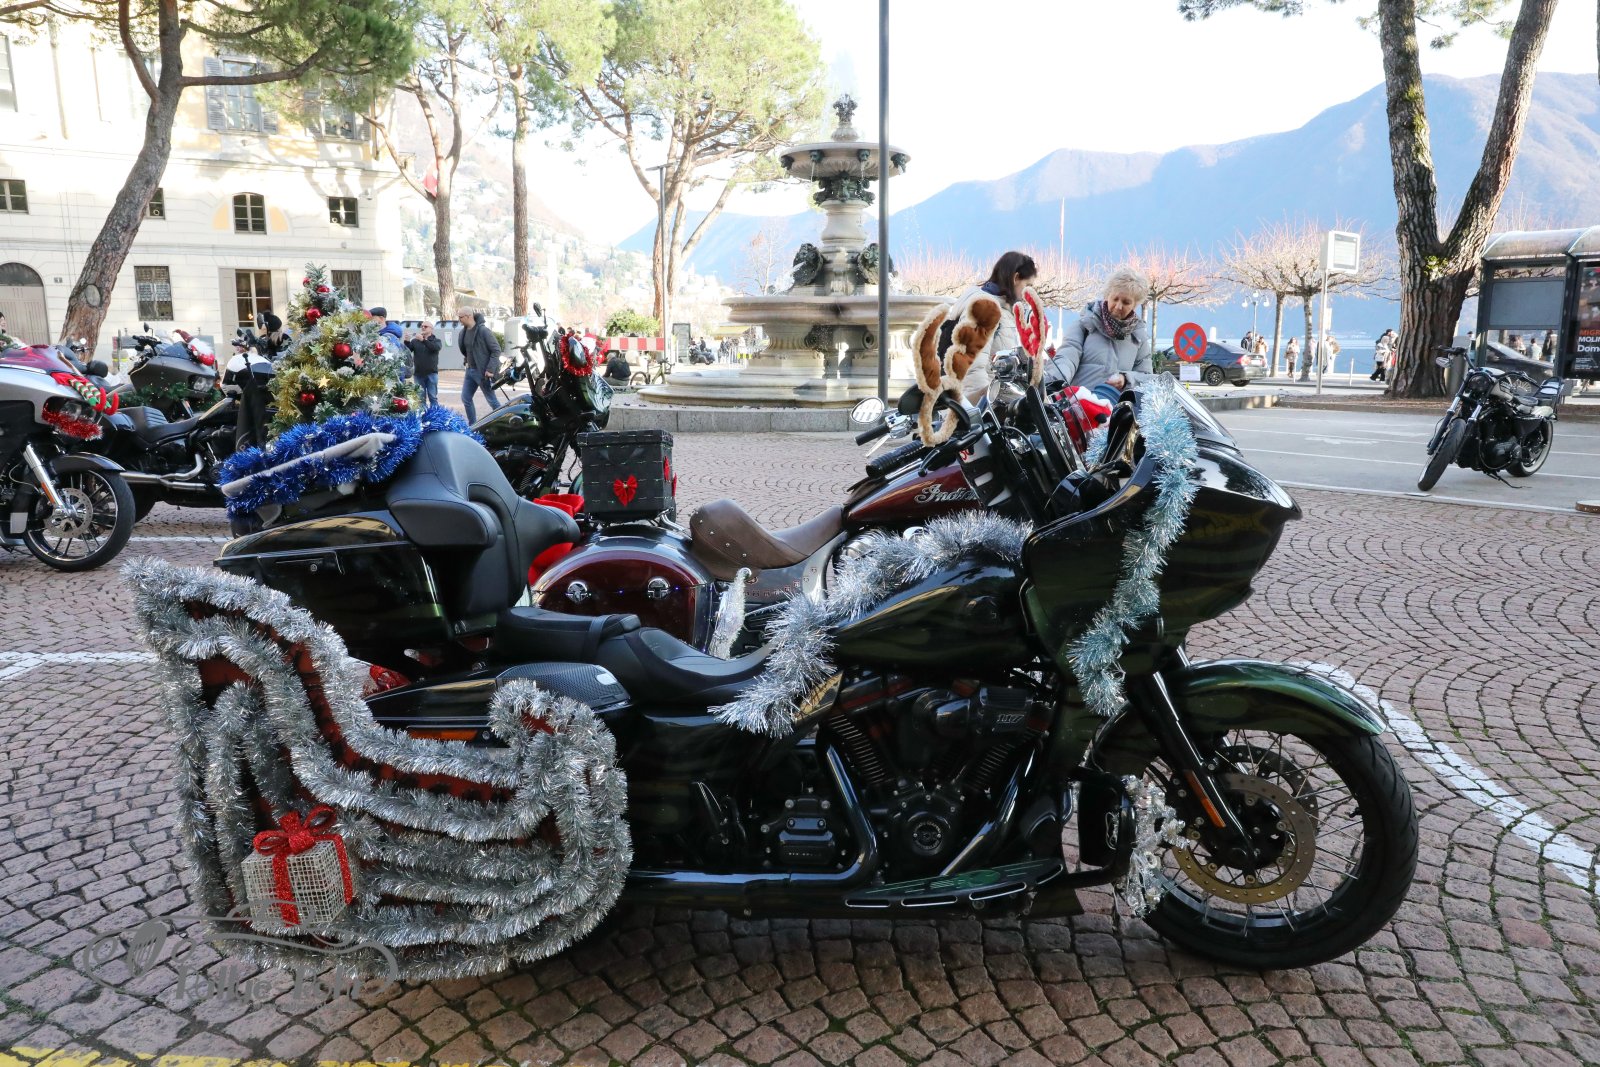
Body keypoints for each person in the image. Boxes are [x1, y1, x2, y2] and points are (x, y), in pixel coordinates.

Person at [1053, 265, 1154, 406]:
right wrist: (1054, 382)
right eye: (1115, 299)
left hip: (1114, 414)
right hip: (1079, 410)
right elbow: (1066, 359)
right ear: (1107, 296)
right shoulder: (1084, 325)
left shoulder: (1138, 337)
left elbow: (1147, 379)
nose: (1118, 306)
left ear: (1135, 305)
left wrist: (1126, 379)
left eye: (1126, 302)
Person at [948, 251, 1037, 402]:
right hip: (982, 404)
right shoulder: (986, 308)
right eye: (1027, 285)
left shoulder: (1001, 308)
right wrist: (982, 407)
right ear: (1015, 278)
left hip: (993, 399)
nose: (1029, 292)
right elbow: (972, 366)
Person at [458, 308, 502, 423]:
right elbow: (467, 350)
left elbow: (496, 350)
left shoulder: (483, 331)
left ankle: (504, 421)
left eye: (460, 317)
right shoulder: (463, 332)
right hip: (469, 371)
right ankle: (473, 425)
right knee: (466, 398)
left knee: (492, 401)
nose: (459, 320)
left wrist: (490, 369)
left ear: (468, 316)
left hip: (482, 372)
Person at [405, 321, 442, 407]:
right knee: (420, 399)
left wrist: (423, 340)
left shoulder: (436, 341)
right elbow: (407, 351)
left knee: (433, 397)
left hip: (431, 373)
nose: (423, 328)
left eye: (425, 326)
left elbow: (435, 348)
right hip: (418, 374)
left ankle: (434, 413)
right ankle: (422, 414)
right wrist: (407, 341)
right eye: (422, 326)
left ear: (431, 329)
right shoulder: (415, 341)